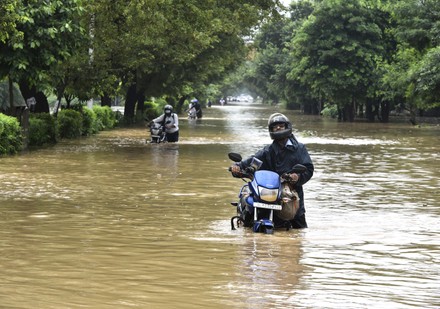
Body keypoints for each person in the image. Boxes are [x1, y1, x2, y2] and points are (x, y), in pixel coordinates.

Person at [230, 113, 314, 228]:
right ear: (271, 130)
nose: (278, 128)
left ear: (287, 127)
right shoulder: (267, 151)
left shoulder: (299, 148)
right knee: (249, 219)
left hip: (290, 194)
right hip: (268, 193)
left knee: (299, 230)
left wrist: (297, 177)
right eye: (275, 126)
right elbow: (252, 161)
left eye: (281, 125)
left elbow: (308, 169)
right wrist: (237, 167)